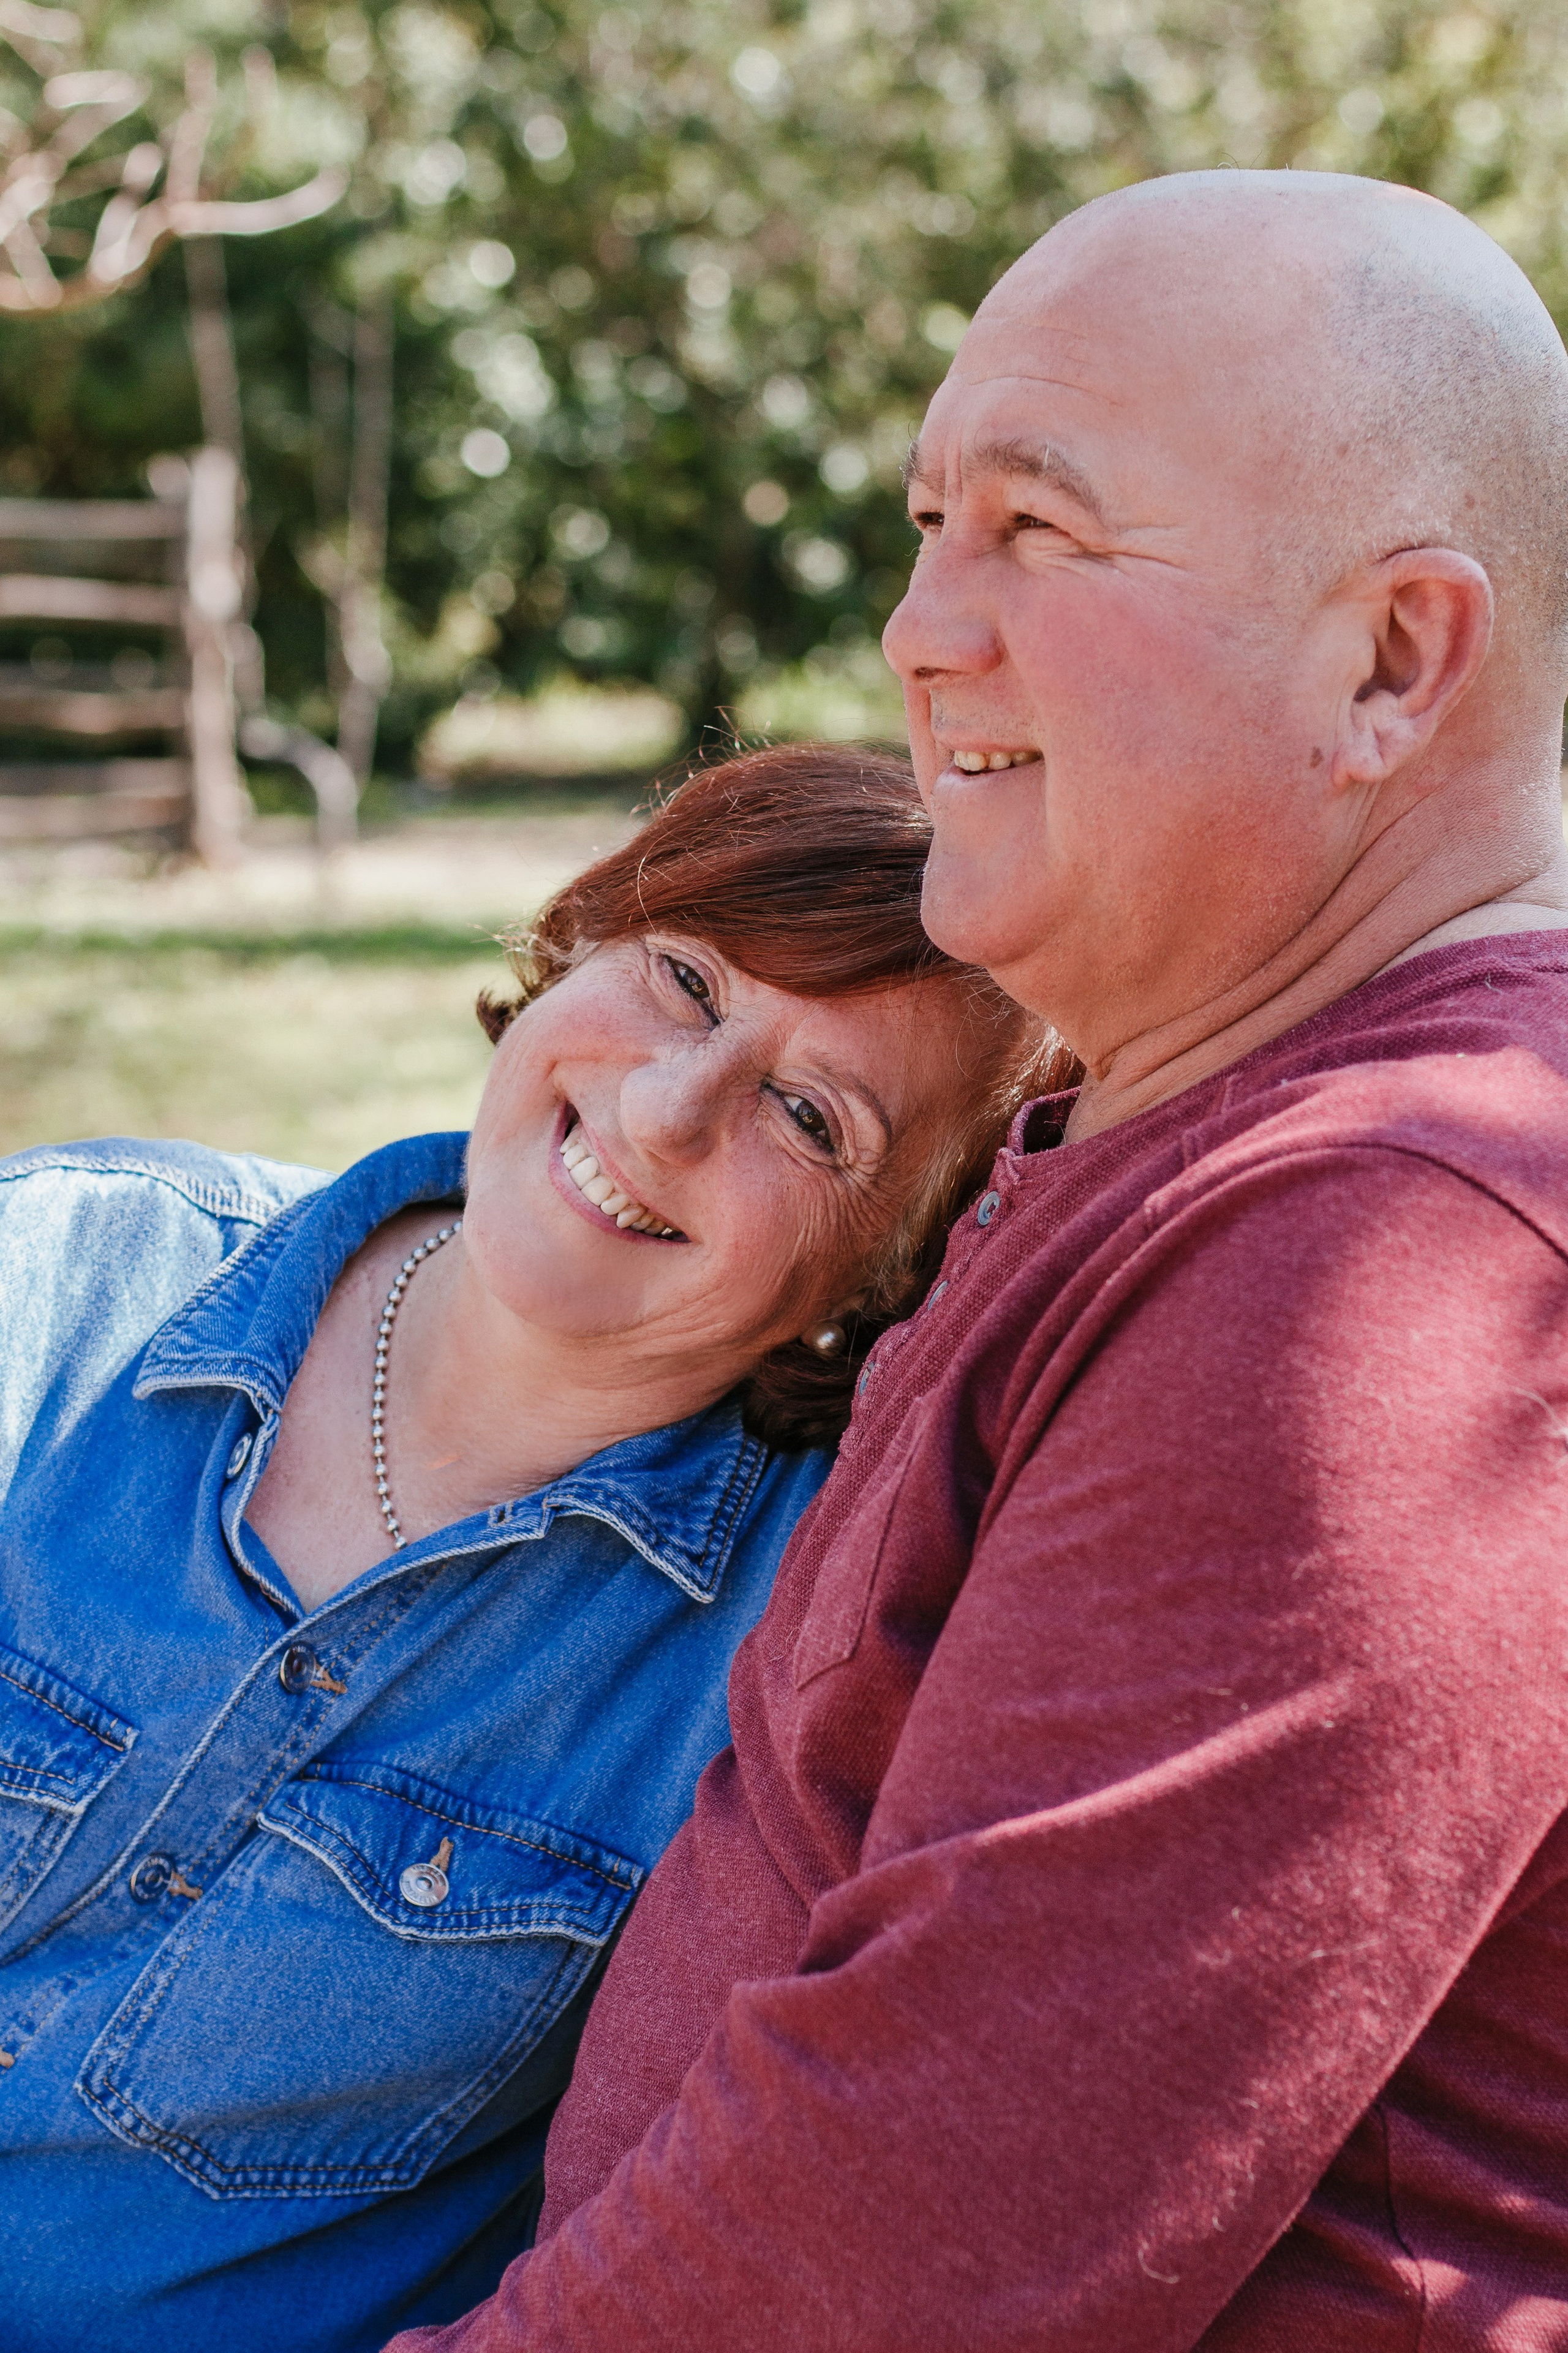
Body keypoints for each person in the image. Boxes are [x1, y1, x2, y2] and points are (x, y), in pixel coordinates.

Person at [386, 173, 1568, 2351]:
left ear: (1394, 658)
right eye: (933, 521)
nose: (925, 630)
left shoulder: (1390, 1252)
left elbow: (908, 2243)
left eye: (1040, 529)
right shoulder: (1182, 1116)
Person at [0, 744, 1058, 2353]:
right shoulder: (59, 1273)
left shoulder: (789, 1659)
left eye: (808, 1116)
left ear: (887, 1267)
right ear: (587, 934)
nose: (666, 1104)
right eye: (687, 978)